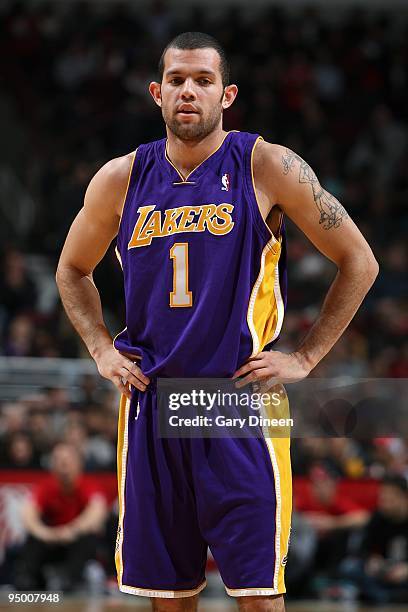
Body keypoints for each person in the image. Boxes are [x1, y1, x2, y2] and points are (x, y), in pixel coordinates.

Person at [56, 32, 378, 612]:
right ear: (156, 93)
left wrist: (304, 357)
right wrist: (102, 349)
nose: (189, 91)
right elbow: (72, 270)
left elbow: (360, 261)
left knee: (257, 597)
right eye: (176, 79)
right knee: (168, 596)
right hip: (153, 401)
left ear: (226, 94)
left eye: (203, 80)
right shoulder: (120, 179)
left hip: (238, 400)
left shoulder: (267, 164)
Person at [15, 442, 107, 591]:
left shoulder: (88, 485)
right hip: (51, 540)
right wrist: (46, 534)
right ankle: (28, 579)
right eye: (58, 460)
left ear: (78, 463)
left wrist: (72, 531)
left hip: (75, 541)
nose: (64, 465)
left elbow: (97, 511)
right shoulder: (46, 486)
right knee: (32, 540)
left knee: (89, 537)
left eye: (68, 460)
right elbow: (28, 515)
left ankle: (69, 579)